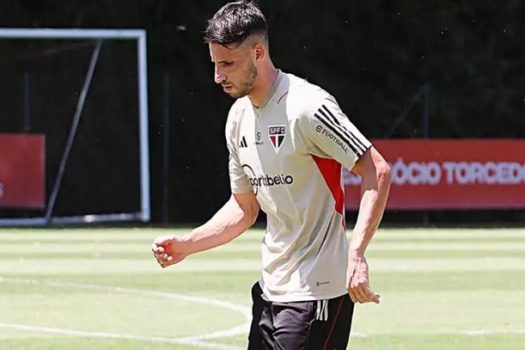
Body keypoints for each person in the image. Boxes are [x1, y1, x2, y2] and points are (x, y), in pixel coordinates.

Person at [152, 1, 391, 349]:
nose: (218, 76)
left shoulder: (308, 107)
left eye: (228, 64)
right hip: (270, 292)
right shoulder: (237, 119)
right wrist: (190, 244)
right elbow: (244, 207)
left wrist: (356, 255)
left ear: (259, 53)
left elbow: (377, 171)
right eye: (215, 64)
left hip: (317, 293)